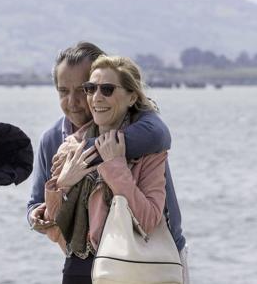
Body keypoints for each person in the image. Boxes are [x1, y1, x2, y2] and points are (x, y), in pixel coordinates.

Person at [26, 43, 187, 283]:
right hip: (88, 265)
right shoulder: (57, 141)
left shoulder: (146, 133)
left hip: (153, 258)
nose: (75, 101)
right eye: (63, 91)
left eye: (83, 88)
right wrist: (58, 190)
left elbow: (149, 217)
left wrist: (100, 158)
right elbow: (39, 207)